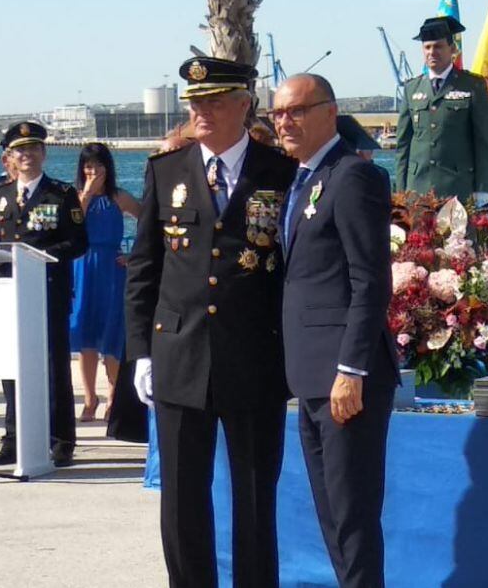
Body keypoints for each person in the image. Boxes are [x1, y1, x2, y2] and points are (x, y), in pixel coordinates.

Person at [125, 56, 296, 588]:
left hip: (253, 356)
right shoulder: (166, 170)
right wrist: (141, 353)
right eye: (195, 103)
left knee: (252, 496)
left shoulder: (281, 171)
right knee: (181, 499)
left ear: (244, 106)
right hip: (180, 355)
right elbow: (145, 268)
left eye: (214, 101)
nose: (201, 111)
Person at [273, 74, 398, 588]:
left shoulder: (351, 176)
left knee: (352, 514)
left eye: (297, 111)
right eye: (277, 113)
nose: (284, 122)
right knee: (330, 512)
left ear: (330, 112)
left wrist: (352, 369)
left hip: (347, 378)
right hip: (310, 375)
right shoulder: (301, 178)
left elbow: (370, 281)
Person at [0, 121, 87, 467]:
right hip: (8, 293)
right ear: (10, 156)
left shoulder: (61, 194)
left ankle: (61, 439)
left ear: (44, 153)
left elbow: (78, 242)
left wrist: (40, 257)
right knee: (10, 366)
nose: (27, 155)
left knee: (54, 365)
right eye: (20, 150)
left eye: (33, 149)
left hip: (46, 291)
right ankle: (14, 436)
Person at [69, 143, 141, 421]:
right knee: (84, 335)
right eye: (88, 166)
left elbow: (149, 220)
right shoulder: (76, 197)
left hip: (112, 267)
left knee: (112, 335)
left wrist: (135, 255)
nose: (93, 171)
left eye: (98, 165)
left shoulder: (119, 197)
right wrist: (86, 194)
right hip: (82, 267)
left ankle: (114, 394)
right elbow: (72, 224)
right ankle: (89, 397)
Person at [395, 16, 488, 205]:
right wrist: (400, 192)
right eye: (427, 47)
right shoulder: (412, 89)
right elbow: (403, 146)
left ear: (452, 50)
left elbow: (485, 142)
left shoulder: (472, 86)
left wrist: (484, 189)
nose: (432, 52)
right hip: (418, 191)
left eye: (438, 46)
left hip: (457, 189)